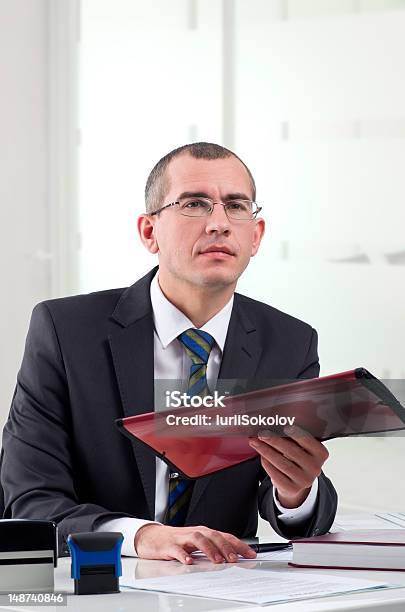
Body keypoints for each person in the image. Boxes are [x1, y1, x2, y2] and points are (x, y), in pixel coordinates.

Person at [1, 142, 337, 563]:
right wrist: (141, 536)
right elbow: (27, 501)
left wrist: (295, 491)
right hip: (96, 587)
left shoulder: (290, 342)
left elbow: (301, 517)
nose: (219, 223)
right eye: (195, 204)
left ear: (257, 235)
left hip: (227, 589)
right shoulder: (66, 331)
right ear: (149, 232)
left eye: (236, 206)